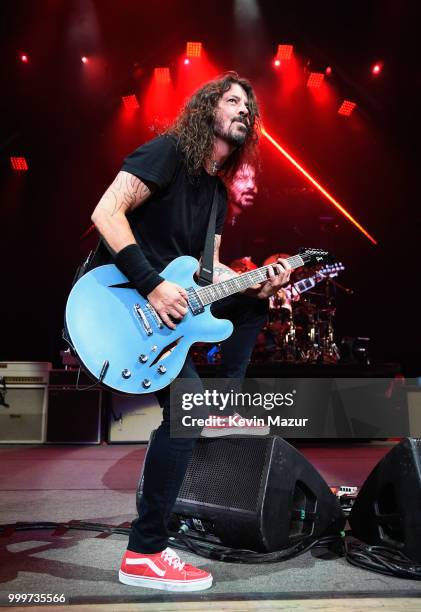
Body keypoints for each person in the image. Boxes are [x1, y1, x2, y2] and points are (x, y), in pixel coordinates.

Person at [90, 73, 291, 592]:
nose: (244, 109)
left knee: (247, 312)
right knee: (185, 413)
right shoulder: (168, 153)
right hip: (117, 303)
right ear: (207, 110)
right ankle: (145, 551)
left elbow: (209, 275)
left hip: (163, 316)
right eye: (232, 100)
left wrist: (259, 283)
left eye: (249, 105)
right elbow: (106, 212)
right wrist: (154, 286)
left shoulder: (218, 196)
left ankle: (224, 399)